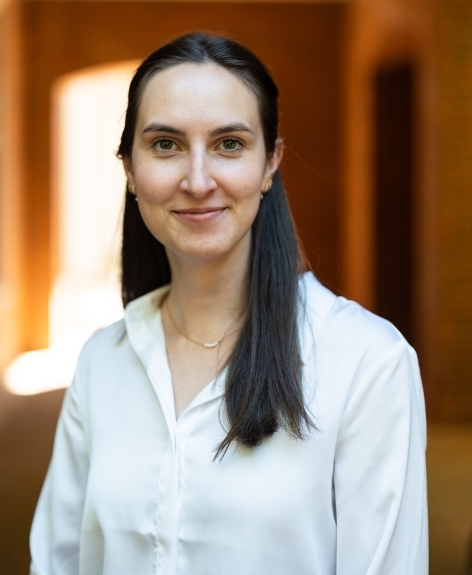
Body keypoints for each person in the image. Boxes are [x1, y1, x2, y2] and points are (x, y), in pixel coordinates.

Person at [29, 33, 428, 575]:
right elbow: (59, 563)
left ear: (270, 164)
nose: (197, 181)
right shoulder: (103, 361)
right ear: (129, 169)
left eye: (230, 144)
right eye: (166, 144)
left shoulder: (366, 363)